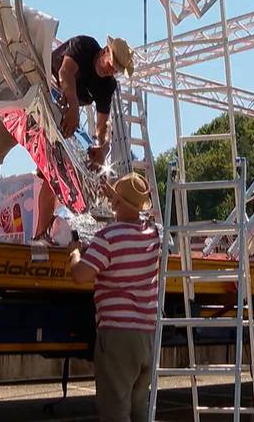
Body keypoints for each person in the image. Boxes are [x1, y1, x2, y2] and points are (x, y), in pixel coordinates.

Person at [0, 35, 136, 237]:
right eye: (113, 63)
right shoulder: (85, 46)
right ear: (105, 51)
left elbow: (103, 122)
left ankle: (40, 236)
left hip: (55, 123)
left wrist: (104, 146)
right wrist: (73, 106)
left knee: (55, 179)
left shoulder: (107, 86)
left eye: (116, 69)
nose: (111, 70)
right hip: (28, 102)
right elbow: (66, 72)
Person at [69, 172, 160, 422]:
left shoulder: (108, 237)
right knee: (139, 406)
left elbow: (81, 275)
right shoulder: (153, 236)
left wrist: (75, 254)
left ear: (117, 203)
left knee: (115, 409)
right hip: (147, 333)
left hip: (118, 334)